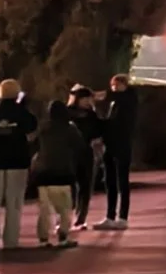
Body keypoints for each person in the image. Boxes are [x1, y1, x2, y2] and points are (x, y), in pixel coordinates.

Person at [0, 81, 36, 253]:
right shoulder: (23, 114)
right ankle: (10, 241)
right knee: (14, 204)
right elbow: (32, 132)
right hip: (18, 162)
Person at [33, 90, 89, 247]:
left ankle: (43, 239)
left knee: (44, 210)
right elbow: (80, 147)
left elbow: (33, 144)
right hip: (63, 173)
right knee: (65, 209)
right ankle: (63, 236)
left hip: (43, 174)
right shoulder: (70, 129)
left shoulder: (43, 128)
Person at [98, 73, 138, 229]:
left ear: (124, 84)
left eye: (116, 85)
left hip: (123, 145)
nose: (113, 88)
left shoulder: (130, 98)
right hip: (111, 145)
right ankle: (110, 216)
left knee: (123, 181)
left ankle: (123, 216)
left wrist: (99, 95)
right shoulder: (114, 103)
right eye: (112, 85)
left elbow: (113, 97)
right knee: (110, 181)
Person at [68, 82, 106, 212]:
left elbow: (98, 131)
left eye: (89, 99)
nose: (87, 101)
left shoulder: (92, 114)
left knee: (86, 185)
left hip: (87, 152)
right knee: (71, 184)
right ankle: (68, 212)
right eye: (85, 99)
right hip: (71, 152)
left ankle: (81, 216)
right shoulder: (69, 113)